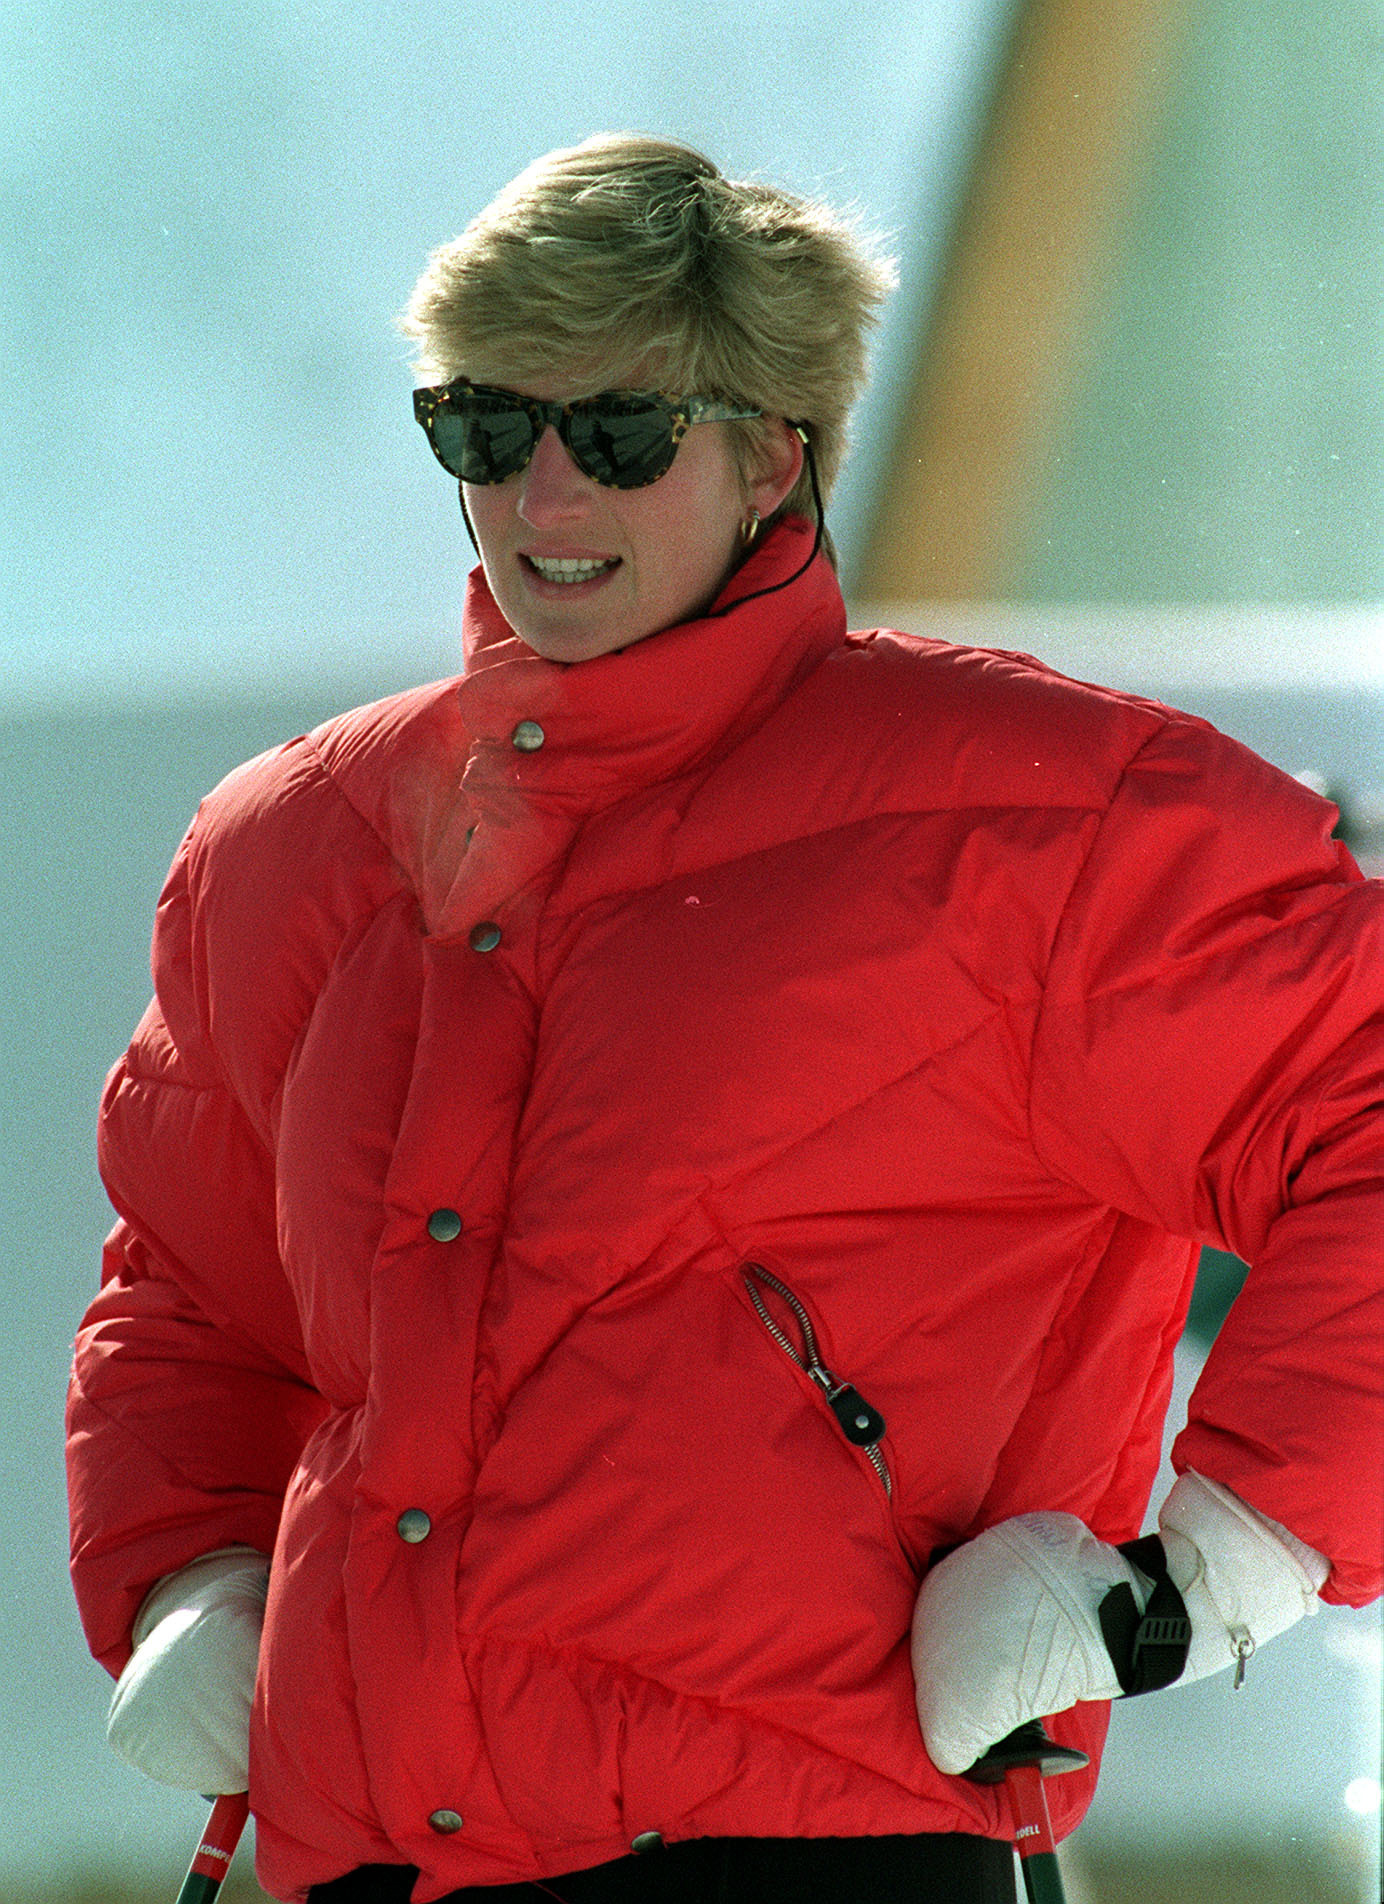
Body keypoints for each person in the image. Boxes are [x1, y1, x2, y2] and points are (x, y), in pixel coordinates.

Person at [67, 133, 1381, 1904]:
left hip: (823, 1845)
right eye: (484, 429)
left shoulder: (1027, 827)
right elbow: (185, 1282)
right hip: (379, 1854)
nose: (543, 494)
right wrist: (187, 1575)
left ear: (775, 450)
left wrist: (1195, 1581)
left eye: (617, 434)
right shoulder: (294, 849)